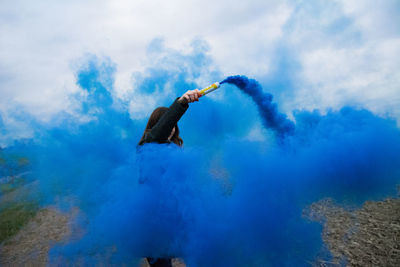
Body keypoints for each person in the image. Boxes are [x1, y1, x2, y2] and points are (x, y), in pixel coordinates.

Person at [137, 89, 202, 267]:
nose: (172, 128)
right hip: (153, 221)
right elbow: (159, 134)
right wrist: (181, 102)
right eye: (167, 124)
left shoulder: (173, 149)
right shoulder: (146, 146)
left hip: (172, 218)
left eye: (174, 124)